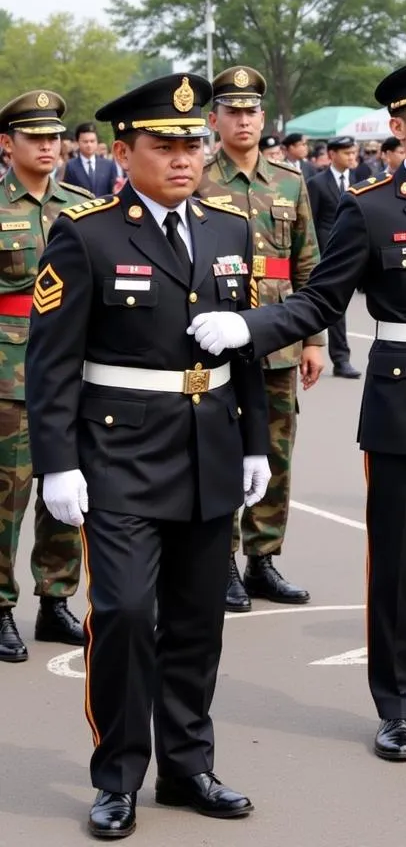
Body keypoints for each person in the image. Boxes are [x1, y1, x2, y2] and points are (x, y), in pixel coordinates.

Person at [188, 56, 406, 763]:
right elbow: (322, 299)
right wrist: (252, 330)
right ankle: (398, 706)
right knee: (399, 568)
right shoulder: (370, 207)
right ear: (398, 127)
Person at [26, 73, 270, 837]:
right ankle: (119, 775)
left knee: (200, 619)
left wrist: (257, 442)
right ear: (124, 149)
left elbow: (247, 349)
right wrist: (56, 463)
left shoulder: (231, 227)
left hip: (208, 449)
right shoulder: (87, 232)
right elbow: (52, 360)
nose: (183, 157)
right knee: (127, 612)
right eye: (164, 144)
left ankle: (188, 766)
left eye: (191, 143)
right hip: (120, 452)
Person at [199, 67, 324, 612]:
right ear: (215, 120)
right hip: (216, 339)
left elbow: (308, 266)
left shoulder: (290, 181)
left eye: (251, 111)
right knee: (223, 450)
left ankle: (263, 559)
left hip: (277, 339)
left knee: (275, 452)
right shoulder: (198, 179)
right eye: (232, 111)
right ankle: (220, 561)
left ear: (263, 118)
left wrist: (315, 341)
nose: (243, 120)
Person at [0, 90, 91, 662]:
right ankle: (0, 606)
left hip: (69, 375)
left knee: (67, 493)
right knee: (6, 498)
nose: (48, 146)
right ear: (7, 144)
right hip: (7, 375)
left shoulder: (82, 205)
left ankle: (55, 599)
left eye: (53, 136)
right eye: (35, 137)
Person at [307, 136, 361, 379]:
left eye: (353, 152)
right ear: (332, 155)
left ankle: (340, 358)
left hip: (355, 253)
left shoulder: (361, 181)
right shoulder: (317, 183)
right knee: (333, 308)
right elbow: (310, 221)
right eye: (346, 153)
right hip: (325, 255)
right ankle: (341, 359)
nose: (351, 157)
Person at [65, 122, 118, 196]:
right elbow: (68, 193)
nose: (89, 145)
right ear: (77, 142)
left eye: (92, 141)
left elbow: (112, 192)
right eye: (85, 142)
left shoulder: (108, 165)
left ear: (97, 142)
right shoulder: (71, 166)